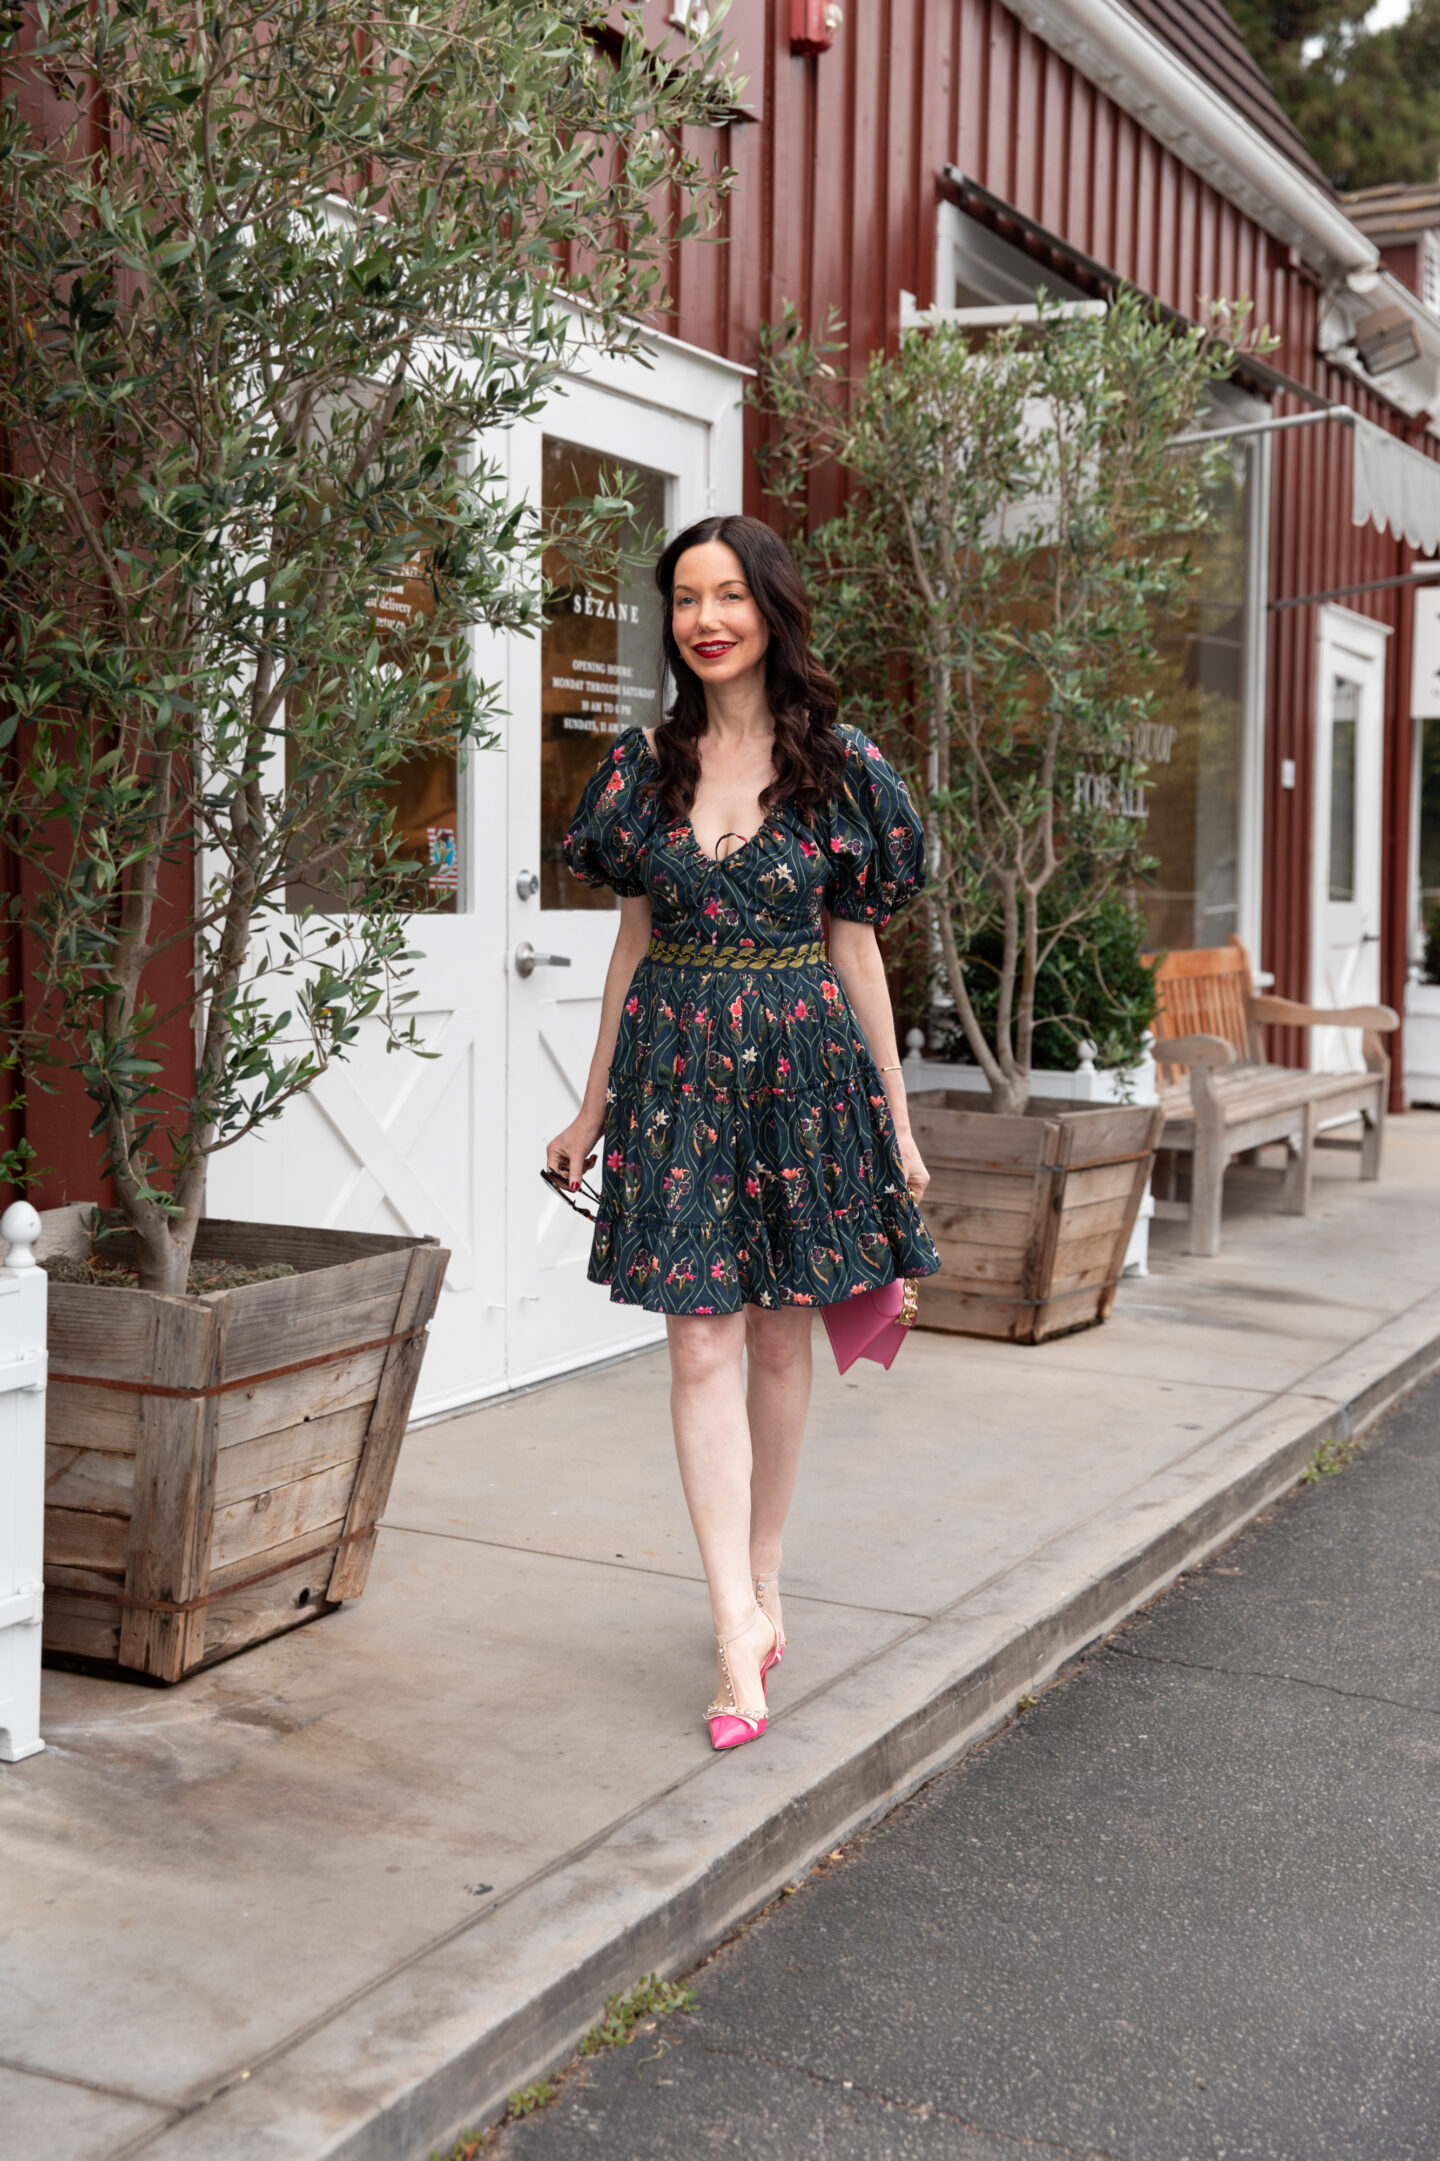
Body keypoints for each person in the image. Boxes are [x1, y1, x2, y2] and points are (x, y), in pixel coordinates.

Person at [547, 514, 939, 1753]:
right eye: (683, 599)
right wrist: (589, 1103)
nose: (704, 618)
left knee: (779, 1348)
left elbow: (858, 951)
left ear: (770, 609)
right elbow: (629, 951)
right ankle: (733, 1630)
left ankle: (765, 1576)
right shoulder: (639, 768)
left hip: (806, 1076)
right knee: (699, 1346)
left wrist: (898, 1117)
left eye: (727, 595)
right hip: (673, 1083)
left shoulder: (842, 771)